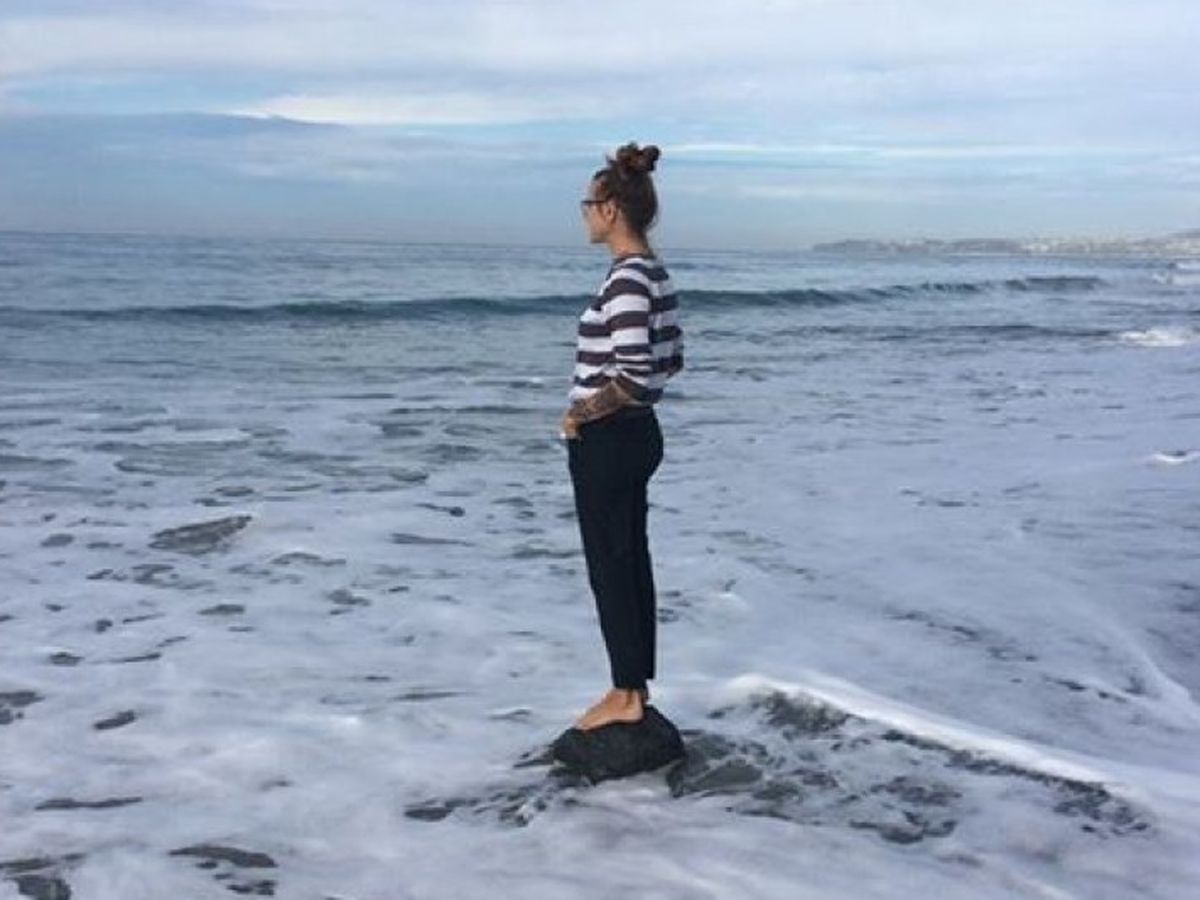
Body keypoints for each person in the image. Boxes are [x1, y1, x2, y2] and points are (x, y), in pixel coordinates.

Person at [561, 142, 684, 731]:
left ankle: (626, 692)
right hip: (637, 435)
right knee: (629, 559)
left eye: (588, 205)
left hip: (610, 439)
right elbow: (672, 359)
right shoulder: (653, 273)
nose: (585, 215)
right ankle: (633, 684)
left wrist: (582, 413)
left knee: (611, 565)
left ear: (610, 209)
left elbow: (633, 374)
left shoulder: (628, 280)